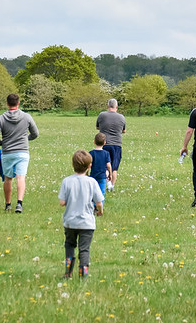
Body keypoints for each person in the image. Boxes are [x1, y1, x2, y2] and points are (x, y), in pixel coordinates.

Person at [59, 150, 105, 279]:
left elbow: (62, 202)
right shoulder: (92, 182)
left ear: (73, 165)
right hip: (87, 223)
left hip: (70, 221)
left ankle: (68, 273)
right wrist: (99, 211)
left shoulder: (67, 181)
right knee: (84, 249)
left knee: (69, 245)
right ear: (90, 166)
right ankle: (83, 274)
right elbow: (99, 202)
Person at [0, 93, 39, 213]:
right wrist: (26, 139)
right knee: (20, 177)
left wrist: (2, 143)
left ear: (7, 104)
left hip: (7, 152)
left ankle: (8, 204)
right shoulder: (26, 117)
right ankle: (19, 203)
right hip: (22, 152)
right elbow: (35, 133)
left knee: (8, 179)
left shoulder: (1, 118)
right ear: (18, 103)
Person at [96, 98, 126, 192]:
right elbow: (123, 130)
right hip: (117, 145)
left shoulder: (102, 115)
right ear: (116, 107)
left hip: (104, 144)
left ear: (107, 106)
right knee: (114, 168)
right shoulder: (121, 117)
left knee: (105, 166)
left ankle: (107, 184)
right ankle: (111, 186)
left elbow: (97, 127)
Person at [88, 132, 112, 197]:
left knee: (92, 193)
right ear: (104, 143)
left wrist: (87, 173)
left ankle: (93, 205)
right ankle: (100, 206)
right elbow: (109, 166)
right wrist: (110, 174)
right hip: (102, 176)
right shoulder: (106, 153)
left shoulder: (91, 153)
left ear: (94, 142)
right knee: (101, 193)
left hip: (93, 176)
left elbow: (88, 164)